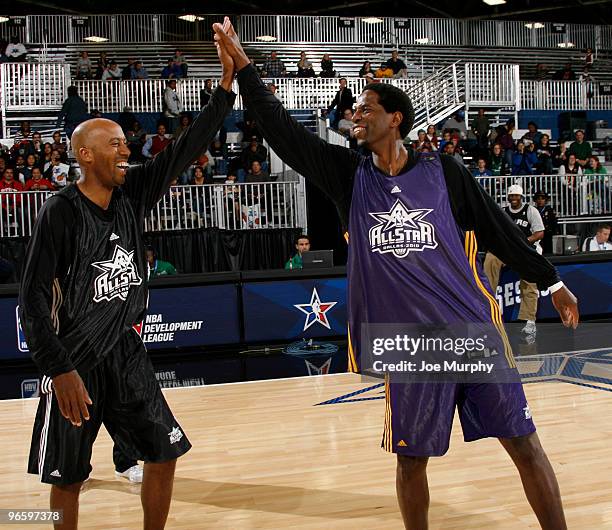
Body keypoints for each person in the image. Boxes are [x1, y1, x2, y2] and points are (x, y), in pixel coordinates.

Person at [214, 18, 578, 530]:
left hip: (471, 329)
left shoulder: (444, 171)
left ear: (396, 119)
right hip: (407, 342)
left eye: (365, 109)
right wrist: (247, 69)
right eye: (354, 110)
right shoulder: (347, 176)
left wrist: (553, 281)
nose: (355, 116)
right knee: (411, 460)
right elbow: (284, 134)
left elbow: (498, 230)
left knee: (524, 444)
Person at [18, 31, 236, 529]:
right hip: (73, 361)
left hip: (125, 350)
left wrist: (225, 88)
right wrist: (59, 370)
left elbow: (185, 150)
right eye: (114, 144)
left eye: (125, 142)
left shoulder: (133, 195)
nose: (126, 150)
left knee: (165, 452)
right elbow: (32, 301)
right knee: (67, 478)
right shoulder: (61, 213)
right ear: (86, 156)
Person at [484, 185, 544, 336]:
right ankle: (487, 306)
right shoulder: (503, 212)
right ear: (508, 197)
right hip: (509, 249)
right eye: (512, 196)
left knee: (530, 283)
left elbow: (539, 233)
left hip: (527, 250)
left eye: (517, 196)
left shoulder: (530, 211)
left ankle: (530, 320)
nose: (514, 198)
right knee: (491, 258)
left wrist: (523, 243)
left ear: (521, 196)